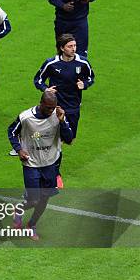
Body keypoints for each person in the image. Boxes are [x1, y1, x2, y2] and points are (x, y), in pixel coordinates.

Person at [8, 91, 73, 240]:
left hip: (50, 164)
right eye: (48, 107)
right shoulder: (26, 117)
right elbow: (11, 131)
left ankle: (31, 225)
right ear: (41, 103)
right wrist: (19, 149)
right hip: (31, 163)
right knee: (34, 199)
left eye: (53, 107)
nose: (51, 110)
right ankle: (18, 210)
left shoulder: (58, 115)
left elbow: (69, 139)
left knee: (44, 199)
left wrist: (62, 121)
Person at [33, 33, 94, 186]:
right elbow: (38, 79)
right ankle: (54, 173)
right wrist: (46, 89)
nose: (74, 49)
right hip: (55, 107)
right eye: (70, 46)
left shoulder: (82, 63)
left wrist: (84, 85)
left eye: (74, 46)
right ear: (62, 48)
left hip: (73, 107)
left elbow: (91, 77)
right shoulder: (51, 63)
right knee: (57, 141)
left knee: (70, 139)